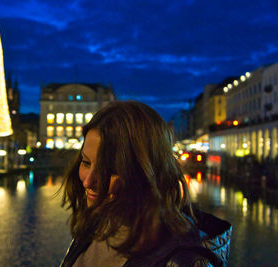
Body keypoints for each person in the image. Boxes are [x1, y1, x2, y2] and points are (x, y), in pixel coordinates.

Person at [60, 101, 232, 267]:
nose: (88, 181)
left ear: (147, 172)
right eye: (86, 162)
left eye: (110, 170)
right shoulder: (95, 225)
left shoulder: (183, 260)